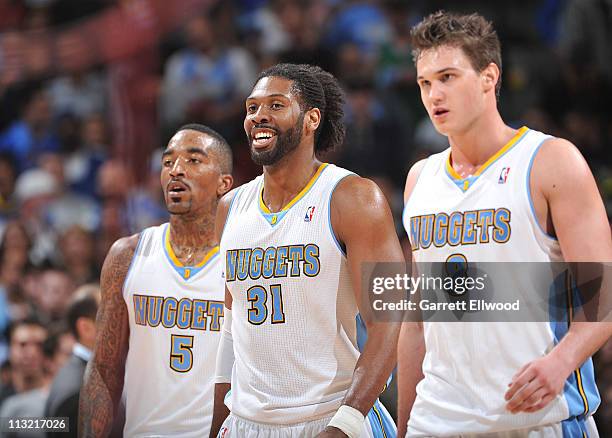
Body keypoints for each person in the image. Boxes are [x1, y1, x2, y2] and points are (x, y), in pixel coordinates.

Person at [397, 11, 612, 437]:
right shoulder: (419, 179)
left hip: (537, 417)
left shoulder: (551, 161)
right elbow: (418, 320)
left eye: (447, 77)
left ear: (488, 77)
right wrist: (405, 427)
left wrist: (560, 363)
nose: (434, 94)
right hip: (436, 421)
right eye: (425, 82)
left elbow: (602, 297)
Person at [211, 63, 402, 437]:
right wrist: (218, 424)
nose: (259, 116)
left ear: (312, 118)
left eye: (276, 105)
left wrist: (345, 424)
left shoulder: (353, 197)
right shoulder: (230, 208)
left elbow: (391, 319)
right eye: (252, 108)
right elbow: (231, 331)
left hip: (332, 415)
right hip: (248, 422)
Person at [79, 124, 233, 437]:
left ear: (223, 184)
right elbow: (103, 369)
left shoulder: (240, 259)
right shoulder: (128, 255)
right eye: (167, 162)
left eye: (193, 161)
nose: (176, 170)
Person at [45, 284, 100, 438]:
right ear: (86, 328)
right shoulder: (76, 391)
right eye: (109, 314)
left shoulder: (77, 374)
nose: (118, 319)